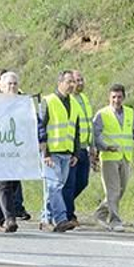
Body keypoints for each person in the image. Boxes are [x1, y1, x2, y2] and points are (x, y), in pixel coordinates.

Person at [90, 83, 134, 231]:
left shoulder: (129, 113)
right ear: (109, 98)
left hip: (125, 157)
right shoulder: (102, 114)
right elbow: (95, 134)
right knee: (113, 190)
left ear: (124, 97)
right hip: (109, 156)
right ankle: (115, 221)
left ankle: (100, 213)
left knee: (121, 190)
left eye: (119, 97)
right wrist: (104, 146)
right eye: (113, 97)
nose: (116, 100)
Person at [37, 69, 79, 232]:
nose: (72, 85)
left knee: (55, 187)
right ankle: (61, 219)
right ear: (60, 83)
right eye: (69, 82)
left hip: (66, 153)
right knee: (54, 185)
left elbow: (76, 130)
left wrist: (75, 152)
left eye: (73, 82)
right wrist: (45, 152)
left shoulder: (74, 103)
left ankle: (45, 218)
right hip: (52, 152)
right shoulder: (49, 101)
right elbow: (41, 128)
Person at [0, 71, 27, 232]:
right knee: (3, 183)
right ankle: (10, 218)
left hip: (17, 150)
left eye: (14, 84)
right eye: (8, 84)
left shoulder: (23, 103)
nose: (12, 87)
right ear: (1, 87)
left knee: (13, 184)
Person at [61, 69, 94, 225]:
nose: (79, 83)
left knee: (83, 181)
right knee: (70, 182)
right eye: (75, 81)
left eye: (81, 80)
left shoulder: (84, 99)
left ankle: (61, 205)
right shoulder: (69, 100)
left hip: (84, 147)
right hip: (72, 147)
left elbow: (89, 124)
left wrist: (92, 146)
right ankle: (68, 213)